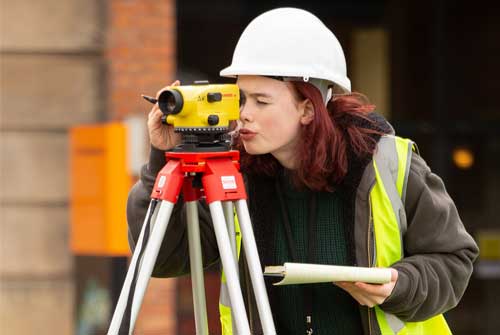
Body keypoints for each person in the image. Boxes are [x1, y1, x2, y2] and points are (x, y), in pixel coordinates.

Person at [127, 7, 479, 335]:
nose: (244, 114)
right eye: (242, 99)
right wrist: (164, 157)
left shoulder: (387, 163)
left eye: (261, 101)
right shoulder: (234, 176)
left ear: (308, 109)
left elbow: (454, 261)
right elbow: (162, 259)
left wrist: (400, 285)